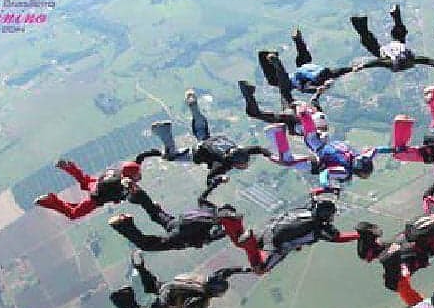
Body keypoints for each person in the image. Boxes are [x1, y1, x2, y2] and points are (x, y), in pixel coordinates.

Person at [143, 91, 276, 185]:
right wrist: (220, 179)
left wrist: (269, 154)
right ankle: (164, 132)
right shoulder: (222, 165)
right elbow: (210, 178)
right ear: (235, 163)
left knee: (201, 131)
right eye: (243, 164)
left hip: (209, 142)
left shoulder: (241, 151)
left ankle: (194, 108)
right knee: (170, 156)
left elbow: (258, 149)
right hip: (197, 153)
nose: (245, 165)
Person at [107, 176, 245, 252]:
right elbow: (215, 235)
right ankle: (123, 224)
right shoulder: (219, 222)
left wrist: (217, 182)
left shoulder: (211, 209)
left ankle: (137, 192)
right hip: (180, 237)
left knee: (155, 212)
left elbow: (201, 198)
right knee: (147, 245)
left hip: (175, 223)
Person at [109, 251, 251, 308]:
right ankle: (121, 296)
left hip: (168, 286)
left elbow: (227, 271)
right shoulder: (203, 299)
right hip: (166, 302)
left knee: (153, 285)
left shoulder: (210, 279)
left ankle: (140, 267)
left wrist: (246, 269)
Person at [229, 198, 358, 274]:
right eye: (331, 215)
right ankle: (250, 242)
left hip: (269, 228)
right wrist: (358, 235)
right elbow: (338, 237)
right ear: (325, 216)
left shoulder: (306, 210)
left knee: (239, 242)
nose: (332, 217)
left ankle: (233, 221)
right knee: (260, 269)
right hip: (277, 244)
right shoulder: (318, 228)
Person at [272, 107, 376, 196]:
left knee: (308, 136)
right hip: (319, 153)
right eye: (363, 175)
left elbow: (375, 150)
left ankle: (301, 117)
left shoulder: (354, 156)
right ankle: (281, 131)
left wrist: (391, 150)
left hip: (326, 143)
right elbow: (324, 173)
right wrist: (325, 187)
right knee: (305, 143)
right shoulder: (344, 171)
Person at [251, 29, 355, 109]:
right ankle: (274, 60)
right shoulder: (316, 82)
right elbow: (307, 87)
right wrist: (317, 90)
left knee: (304, 62)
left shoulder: (328, 74)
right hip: (294, 80)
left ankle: (297, 40)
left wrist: (353, 68)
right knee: (277, 82)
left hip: (303, 71)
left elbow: (340, 71)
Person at [34, 154, 153, 221]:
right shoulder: (123, 183)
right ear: (130, 175)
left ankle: (68, 166)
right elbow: (128, 195)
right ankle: (50, 200)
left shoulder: (120, 172)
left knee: (84, 180)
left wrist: (150, 154)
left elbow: (134, 165)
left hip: (96, 183)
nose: (139, 176)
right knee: (73, 214)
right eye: (137, 175)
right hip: (95, 197)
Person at [349, 5, 434, 73]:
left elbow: (425, 60)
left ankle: (396, 15)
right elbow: (376, 63)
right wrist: (362, 66)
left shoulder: (407, 59)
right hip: (385, 51)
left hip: (394, 48)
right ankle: (359, 23)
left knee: (400, 36)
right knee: (370, 43)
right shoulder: (392, 62)